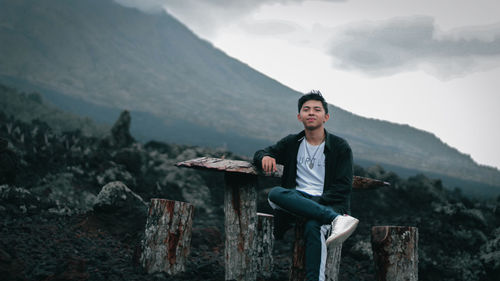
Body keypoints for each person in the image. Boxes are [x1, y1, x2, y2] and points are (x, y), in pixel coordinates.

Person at [253, 90, 359, 281]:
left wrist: (317, 202)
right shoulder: (292, 142)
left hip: (328, 203)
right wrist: (265, 156)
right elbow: (261, 152)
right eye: (306, 109)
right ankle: (336, 220)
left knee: (313, 226)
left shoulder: (340, 147)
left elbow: (343, 187)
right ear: (299, 116)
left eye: (317, 110)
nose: (311, 113)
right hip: (299, 202)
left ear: (325, 117)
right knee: (275, 193)